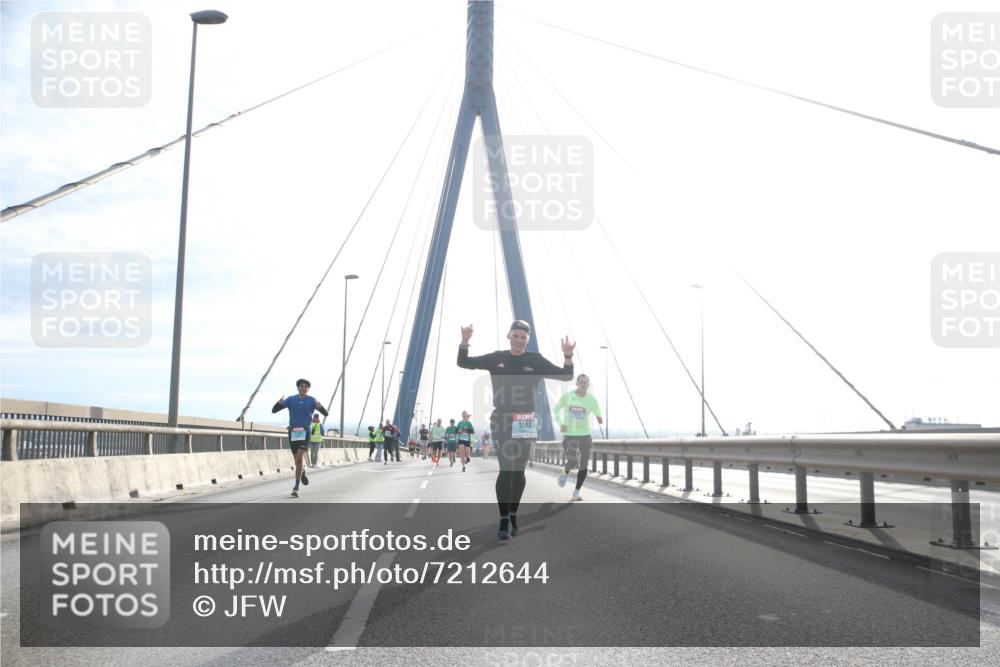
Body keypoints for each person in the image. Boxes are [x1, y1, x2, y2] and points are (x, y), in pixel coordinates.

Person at [457, 320, 574, 539]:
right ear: (509, 336)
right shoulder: (497, 358)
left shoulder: (535, 360)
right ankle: (503, 521)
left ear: (527, 340)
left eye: (523, 337)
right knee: (506, 470)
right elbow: (463, 363)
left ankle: (513, 513)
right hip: (501, 419)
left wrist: (567, 356)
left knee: (518, 473)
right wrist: (465, 342)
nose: (519, 340)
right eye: (516, 336)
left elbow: (566, 376)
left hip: (526, 421)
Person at [272, 378, 328, 497]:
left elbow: (326, 413)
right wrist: (278, 403)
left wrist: (321, 406)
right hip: (293, 432)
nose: (303, 388)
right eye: (301, 386)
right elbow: (274, 411)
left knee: (299, 458)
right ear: (298, 388)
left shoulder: (312, 400)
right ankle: (301, 471)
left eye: (306, 387)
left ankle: (296, 487)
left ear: (308, 389)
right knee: (297, 460)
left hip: (305, 432)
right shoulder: (291, 399)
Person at [554, 374, 603, 501]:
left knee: (583, 465)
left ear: (588, 385)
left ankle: (576, 492)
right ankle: (565, 471)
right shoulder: (567, 397)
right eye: (581, 382)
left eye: (586, 382)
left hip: (585, 435)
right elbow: (556, 410)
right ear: (577, 383)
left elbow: (598, 412)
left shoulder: (592, 400)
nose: (583, 384)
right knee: (573, 462)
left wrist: (599, 418)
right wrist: (561, 424)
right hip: (570, 435)